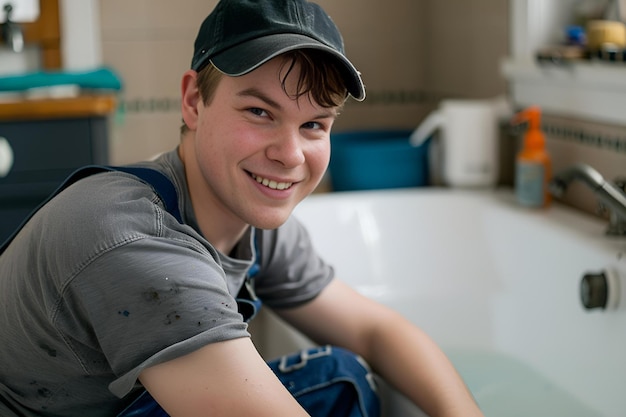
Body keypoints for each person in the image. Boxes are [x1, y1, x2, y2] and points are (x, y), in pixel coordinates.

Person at [0, 0, 485, 416]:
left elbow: (376, 330)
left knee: (341, 376)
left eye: (315, 124)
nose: (290, 155)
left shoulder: (250, 209)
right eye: (259, 112)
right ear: (193, 101)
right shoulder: (133, 240)